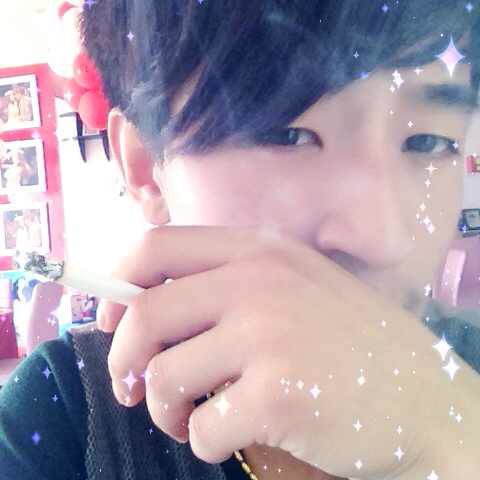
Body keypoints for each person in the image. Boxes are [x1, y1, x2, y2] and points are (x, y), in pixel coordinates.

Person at [1, 1, 480, 479]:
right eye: (287, 135)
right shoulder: (63, 416)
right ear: (146, 168)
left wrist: (450, 444)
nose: (383, 239)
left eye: (429, 142)